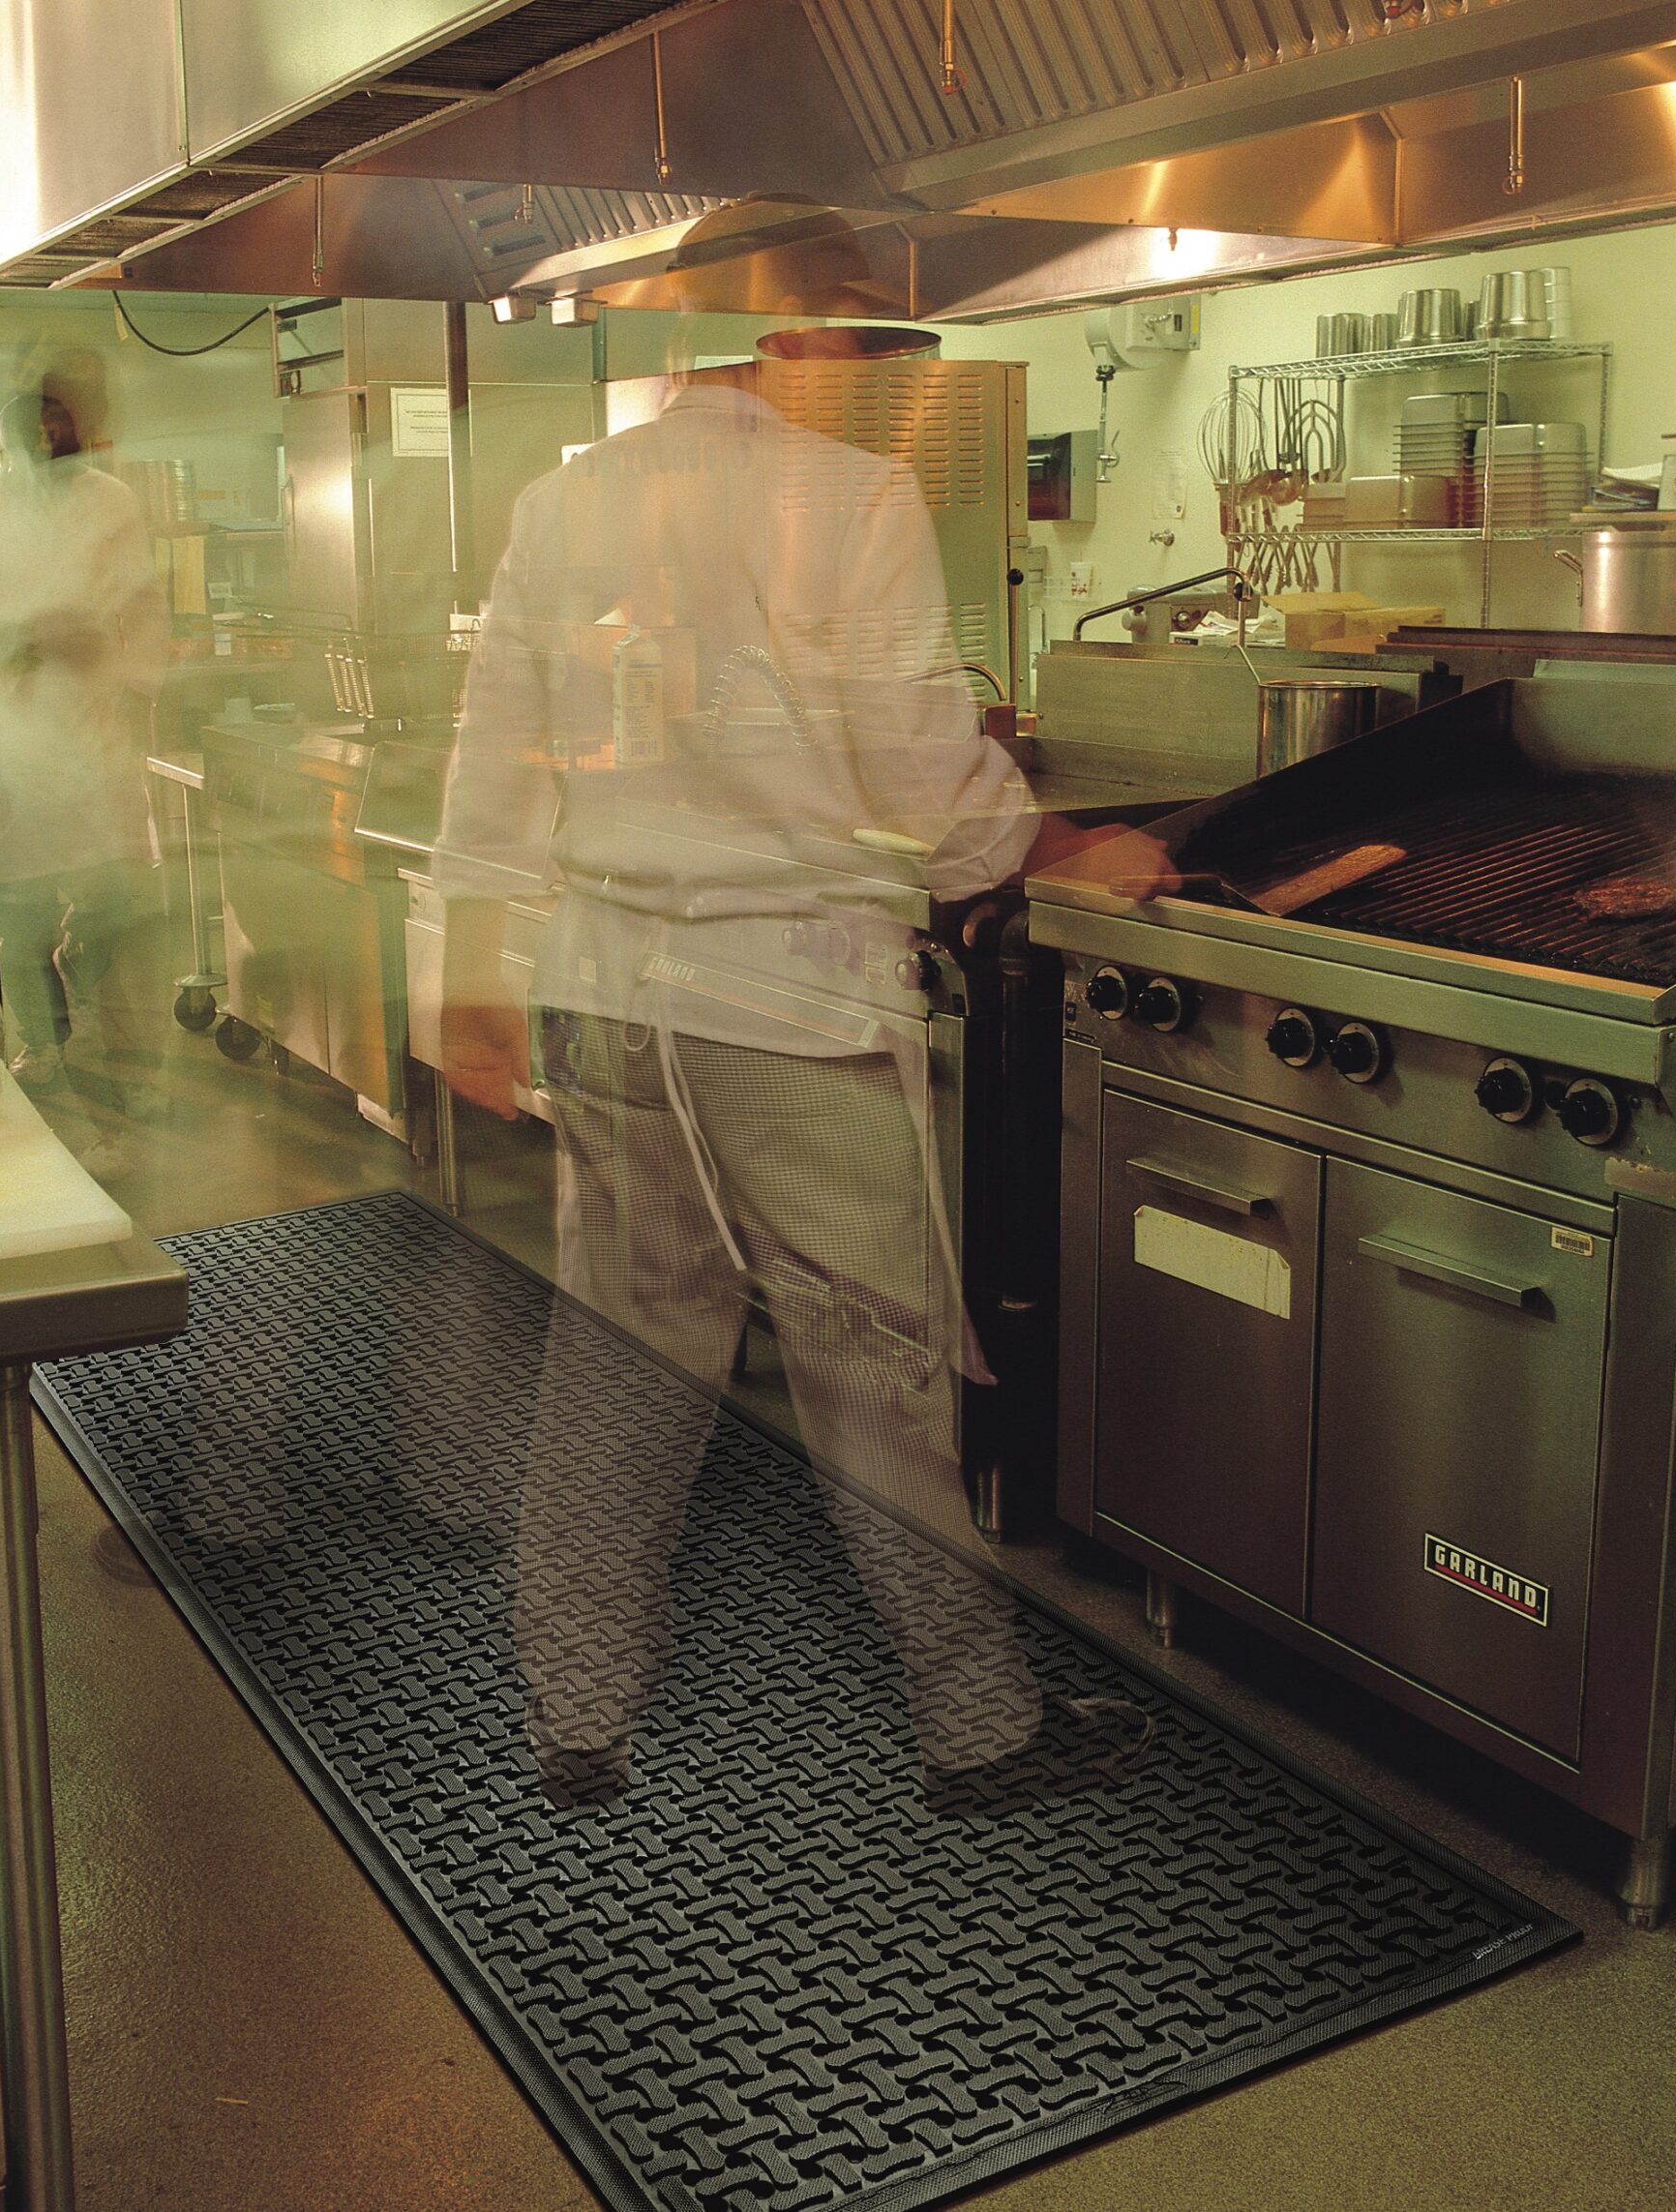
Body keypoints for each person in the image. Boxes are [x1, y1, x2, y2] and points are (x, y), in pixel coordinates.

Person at [433, 326, 1152, 1815]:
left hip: (609, 991)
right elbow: (914, 758)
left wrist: (464, 971)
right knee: (877, 1371)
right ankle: (979, 1729)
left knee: (624, 1355)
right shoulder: (854, 494)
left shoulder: (570, 499)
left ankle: (575, 1714)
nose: (888, 380)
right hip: (782, 1003)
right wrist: (1050, 848)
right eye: (876, 345)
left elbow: (493, 739)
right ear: (801, 343)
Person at [0, 348, 168, 1134]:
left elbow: (143, 601)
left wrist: (128, 673)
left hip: (96, 716)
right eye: (36, 426)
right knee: (18, 904)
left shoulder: (110, 499)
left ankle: (94, 997)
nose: (50, 441)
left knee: (112, 889)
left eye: (62, 426)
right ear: (9, 432)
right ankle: (41, 1042)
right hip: (10, 717)